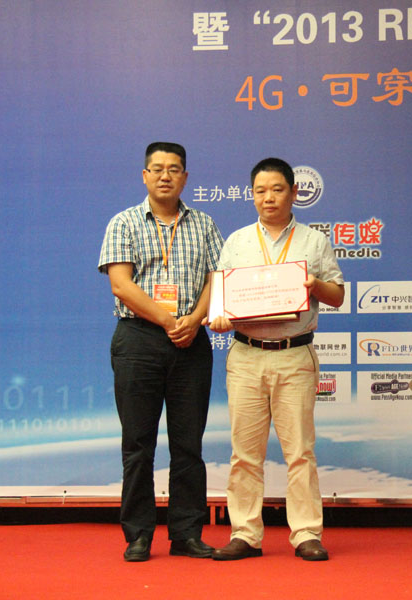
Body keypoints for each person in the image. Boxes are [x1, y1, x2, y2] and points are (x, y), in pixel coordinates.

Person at [207, 157, 344, 562]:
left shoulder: (313, 242)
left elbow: (337, 295)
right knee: (244, 452)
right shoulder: (237, 241)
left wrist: (313, 284)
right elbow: (221, 297)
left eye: (277, 189)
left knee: (300, 451)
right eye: (260, 191)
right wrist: (218, 316)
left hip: (294, 354)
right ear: (252, 195)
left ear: (294, 193)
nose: (268, 198)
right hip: (246, 355)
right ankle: (245, 533)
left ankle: (306, 533)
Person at [98, 142, 223, 562]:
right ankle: (138, 535)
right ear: (145, 176)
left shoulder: (204, 224)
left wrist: (195, 320)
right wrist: (170, 322)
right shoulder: (124, 222)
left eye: (174, 169)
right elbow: (121, 285)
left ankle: (187, 533)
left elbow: (217, 279)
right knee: (138, 444)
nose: (165, 175)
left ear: (185, 177)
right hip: (139, 341)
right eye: (157, 169)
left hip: (191, 341)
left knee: (189, 444)